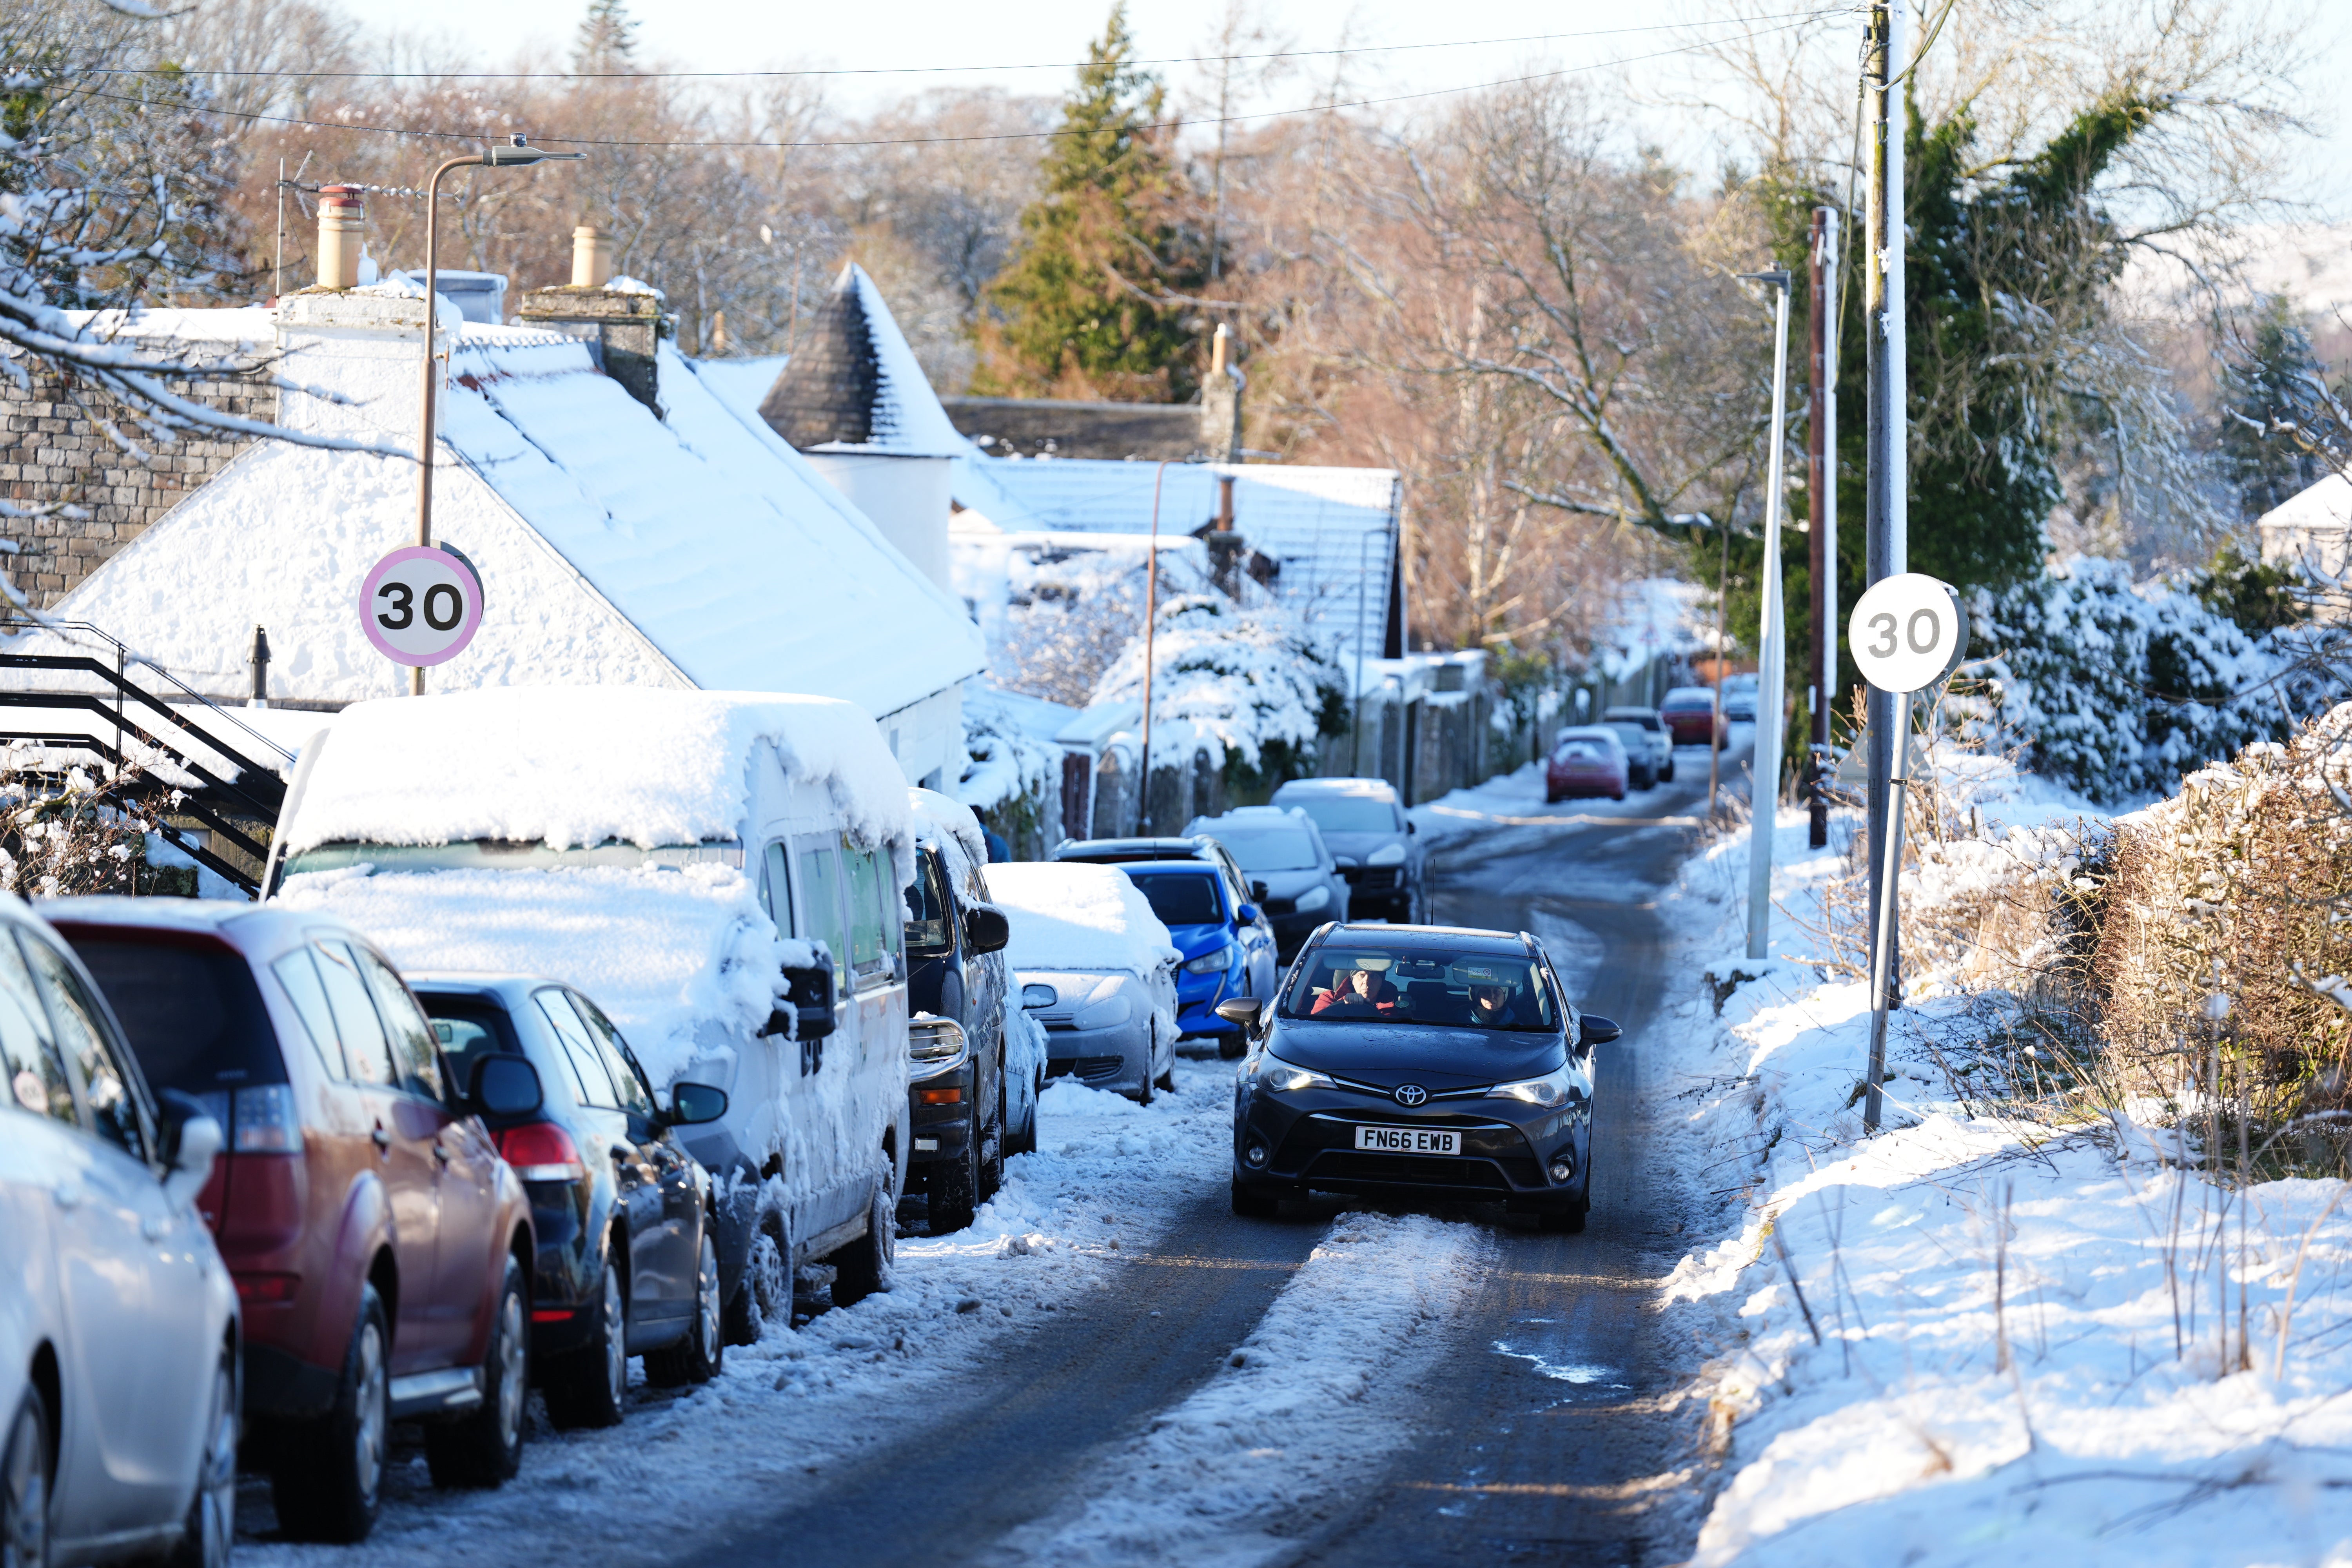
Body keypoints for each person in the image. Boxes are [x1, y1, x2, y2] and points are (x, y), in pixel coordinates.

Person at [1311, 964, 1401, 1017]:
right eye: (1361, 975)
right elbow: (1315, 1024)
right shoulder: (1328, 998)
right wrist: (1344, 1002)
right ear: (1353, 980)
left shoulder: (1397, 1005)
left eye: (1373, 976)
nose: (1366, 981)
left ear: (1381, 982)